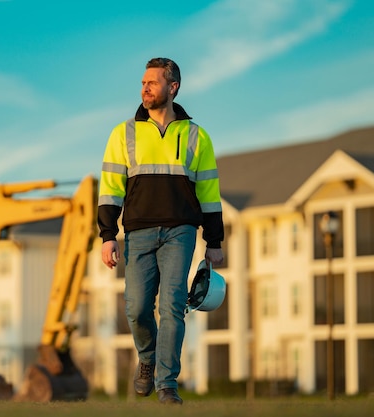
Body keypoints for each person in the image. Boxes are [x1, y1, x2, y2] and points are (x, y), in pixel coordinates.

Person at [97, 57, 224, 405]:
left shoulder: (197, 136)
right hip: (137, 233)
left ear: (173, 87)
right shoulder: (123, 133)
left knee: (171, 306)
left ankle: (167, 384)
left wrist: (214, 241)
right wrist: (108, 235)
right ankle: (148, 360)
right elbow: (110, 187)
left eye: (152, 82)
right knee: (136, 308)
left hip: (180, 232)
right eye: (143, 83)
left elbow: (209, 193)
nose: (145, 88)